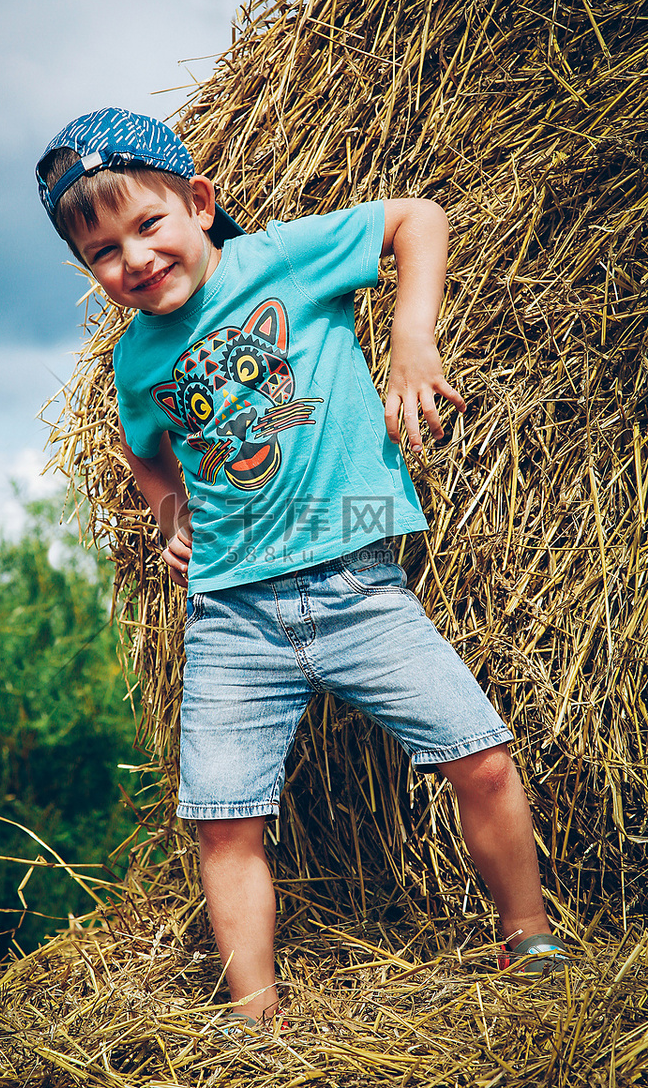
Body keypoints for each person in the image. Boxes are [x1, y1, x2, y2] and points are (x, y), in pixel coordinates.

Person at [36, 107, 568, 1024]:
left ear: (199, 203)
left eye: (148, 223)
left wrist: (411, 334)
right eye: (102, 253)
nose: (133, 257)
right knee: (224, 818)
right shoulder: (135, 359)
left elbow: (418, 218)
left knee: (479, 758)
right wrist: (169, 512)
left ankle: (533, 940)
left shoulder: (280, 261)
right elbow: (146, 450)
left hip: (358, 582)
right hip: (232, 611)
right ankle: (256, 1017)